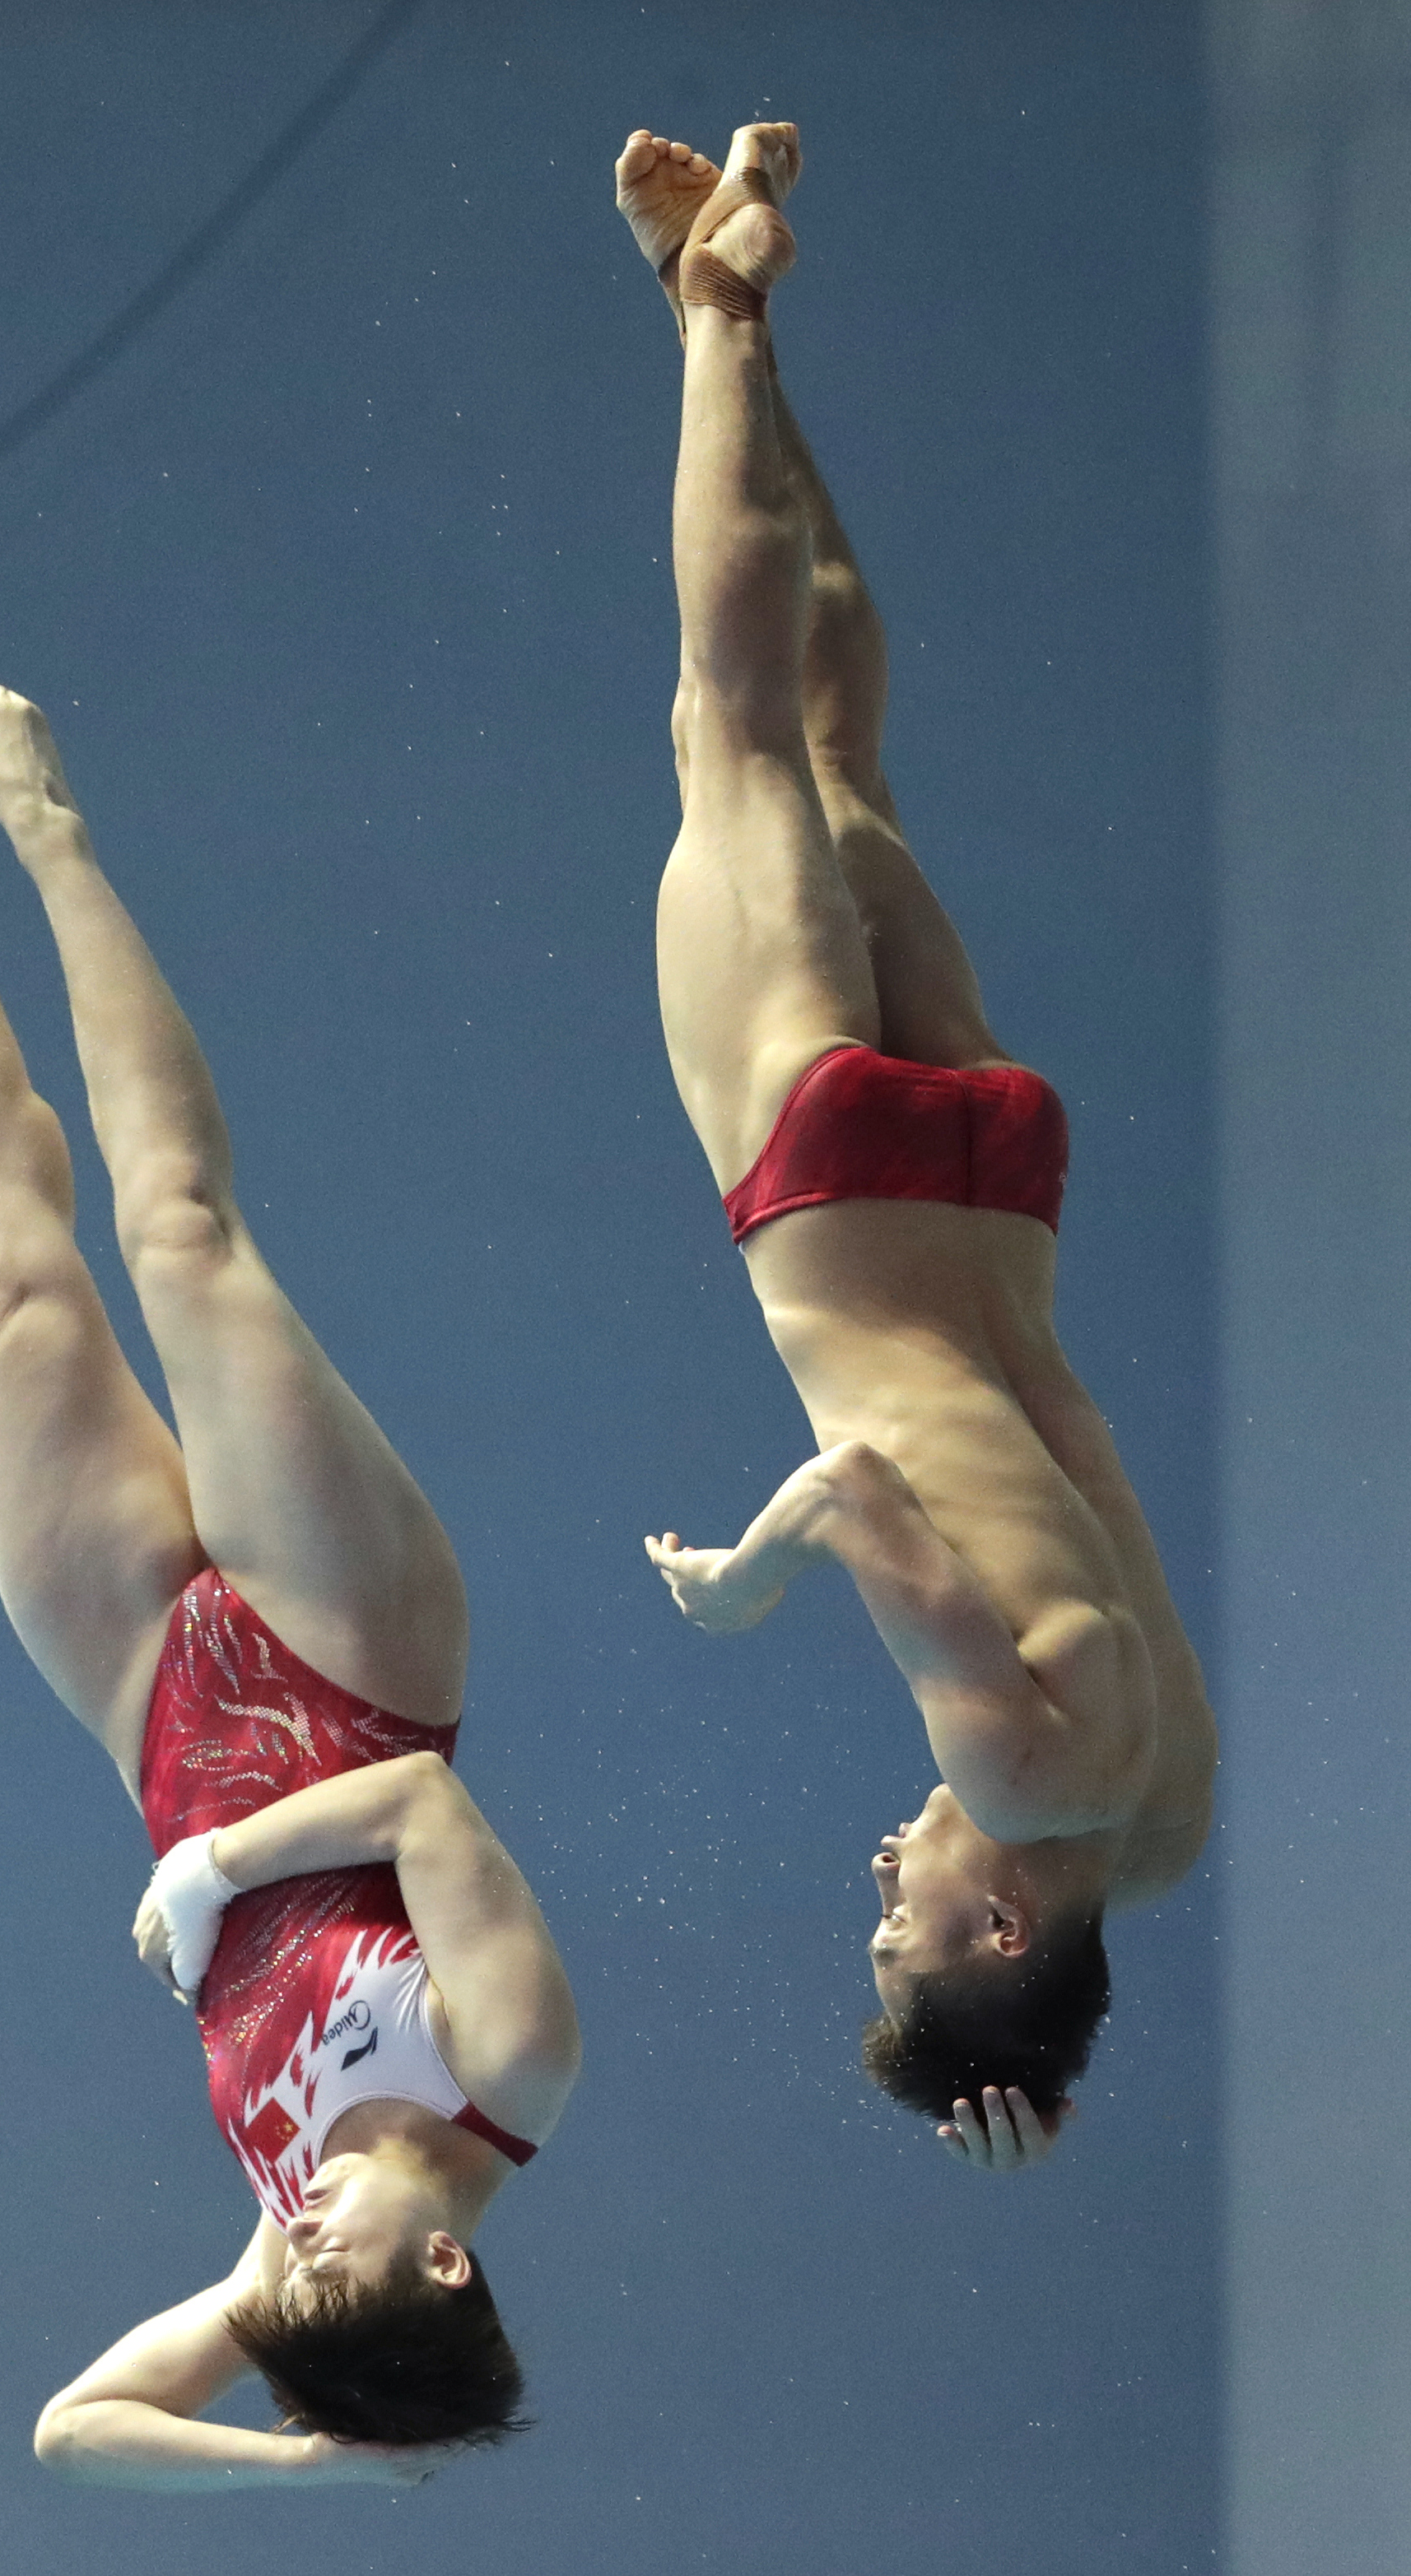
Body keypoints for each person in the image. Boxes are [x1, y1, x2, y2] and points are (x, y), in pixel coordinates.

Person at [0, 678, 580, 2485]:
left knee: (11, 1288)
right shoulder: (515, 2064)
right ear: (445, 2252)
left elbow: (73, 2429)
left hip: (163, 1720)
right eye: (336, 2259)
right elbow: (422, 1803)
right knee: (178, 1233)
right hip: (356, 1666)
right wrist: (226, 1864)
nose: (298, 2238)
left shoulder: (290, 2256)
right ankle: (50, 827)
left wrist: (303, 2457)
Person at [615, 125, 1216, 2174]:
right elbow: (860, 1483)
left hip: (996, 1191)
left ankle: (750, 325)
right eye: (897, 1928)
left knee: (849, 756)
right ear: (992, 1916)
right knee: (736, 727)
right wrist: (746, 1583)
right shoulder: (1019, 1774)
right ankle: (711, 314)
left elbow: (1090, 1462)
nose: (880, 1881)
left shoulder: (1159, 1814)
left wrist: (1025, 2061)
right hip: (836, 1188)